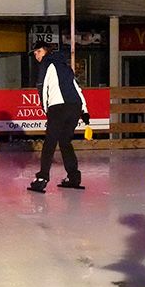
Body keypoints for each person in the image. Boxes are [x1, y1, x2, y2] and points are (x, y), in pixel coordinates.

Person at [28, 41, 90, 193]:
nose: (36, 55)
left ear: (45, 51)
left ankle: (42, 179)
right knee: (65, 142)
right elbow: (76, 88)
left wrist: (46, 110)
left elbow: (42, 87)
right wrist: (85, 111)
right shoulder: (65, 65)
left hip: (58, 107)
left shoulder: (46, 64)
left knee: (50, 143)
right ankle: (74, 177)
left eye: (37, 52)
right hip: (75, 107)